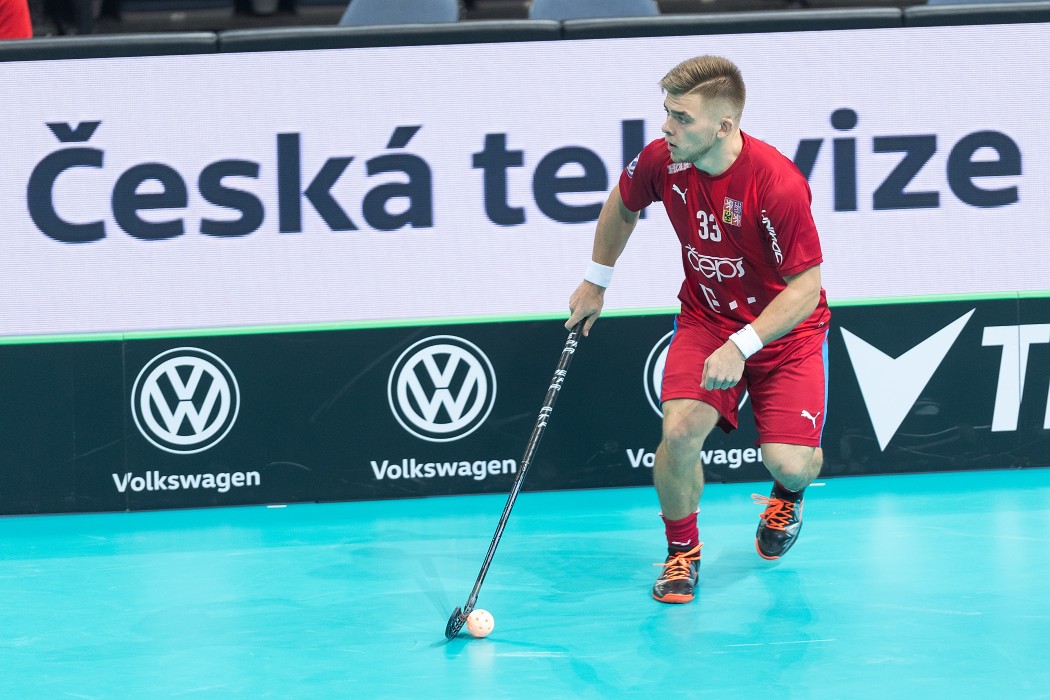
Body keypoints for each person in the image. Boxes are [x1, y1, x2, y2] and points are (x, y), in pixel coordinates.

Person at [566, 55, 830, 604]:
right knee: (680, 433)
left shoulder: (776, 184)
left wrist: (745, 343)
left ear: (723, 126)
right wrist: (596, 281)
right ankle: (682, 551)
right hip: (707, 319)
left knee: (793, 463)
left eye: (682, 117)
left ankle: (788, 495)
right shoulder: (665, 161)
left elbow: (804, 289)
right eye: (667, 112)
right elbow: (624, 201)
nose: (667, 126)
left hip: (785, 335)